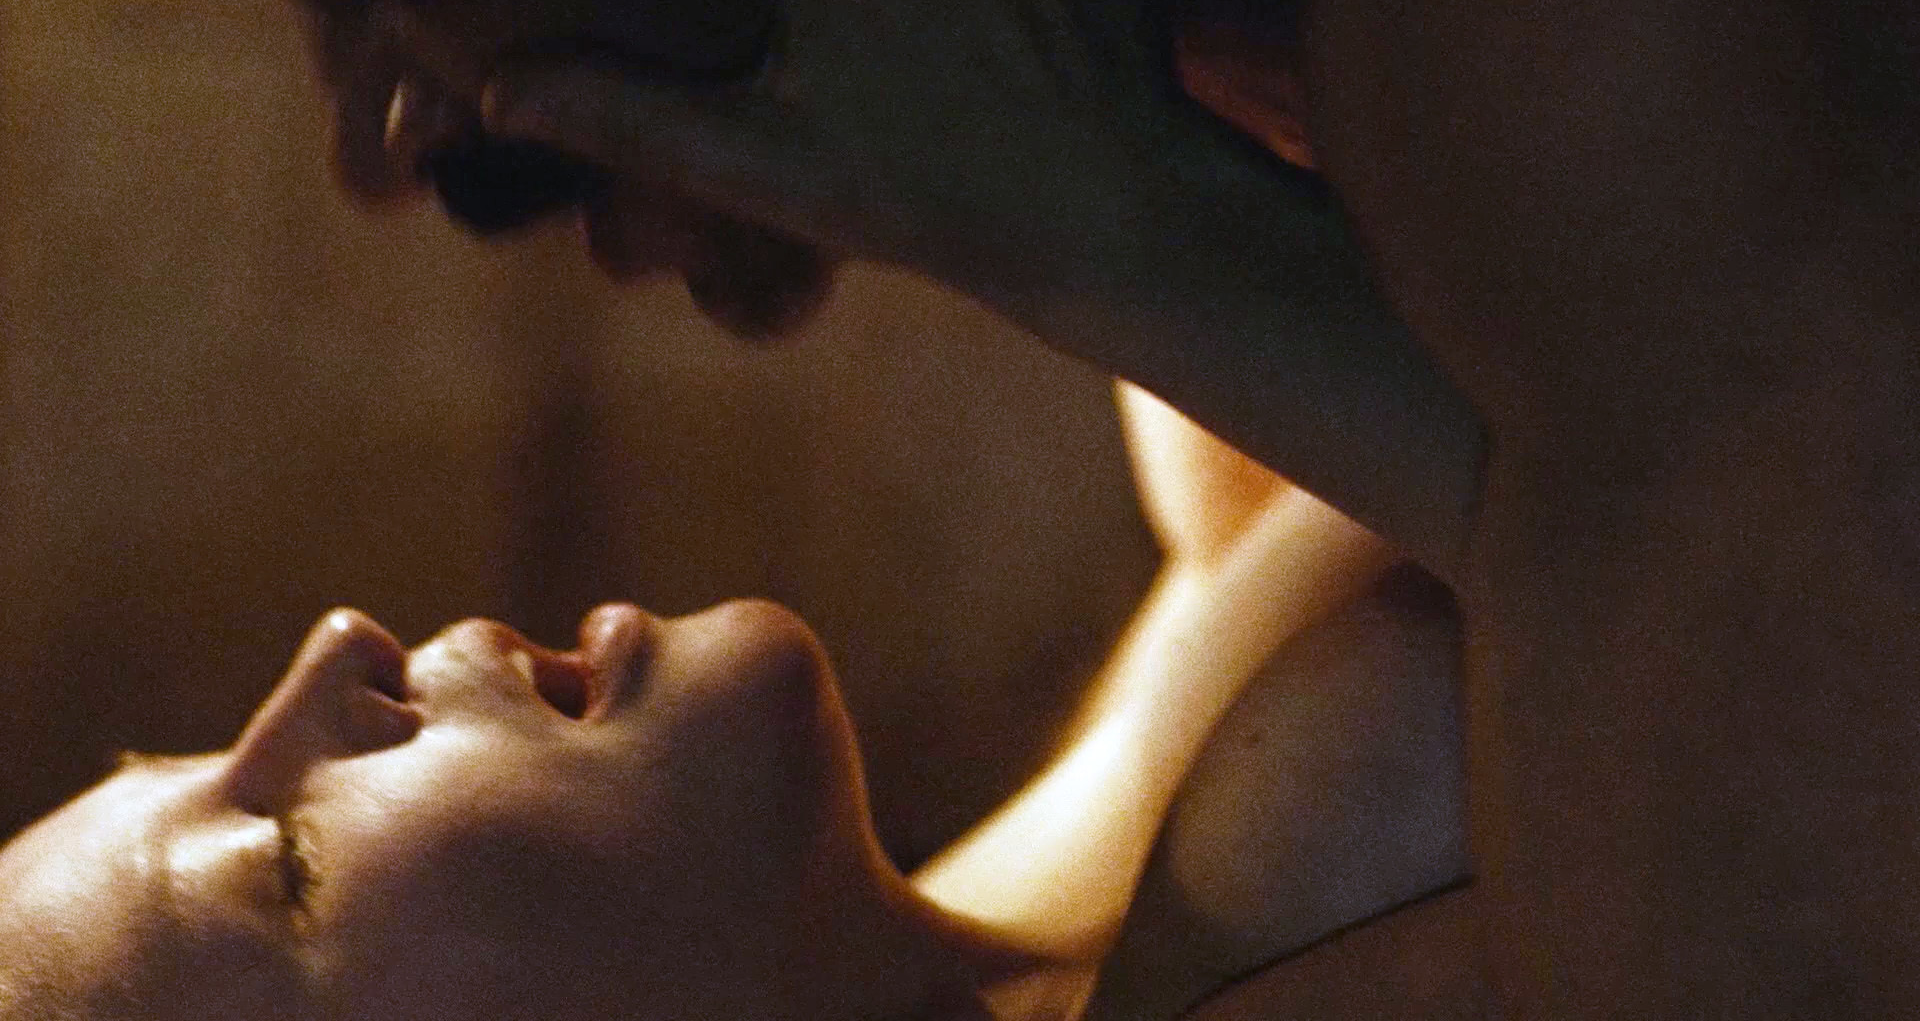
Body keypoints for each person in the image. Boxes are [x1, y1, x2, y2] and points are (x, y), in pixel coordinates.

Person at [190, 0, 1920, 1015]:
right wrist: (1090, 220)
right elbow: (1787, 691)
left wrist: (989, 118)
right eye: (283, 868)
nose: (331, 654)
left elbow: (1289, 506)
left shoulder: (1049, 876)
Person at [0, 381, 1460, 1021]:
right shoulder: (1313, 881)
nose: (337, 648)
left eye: (209, 748)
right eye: (284, 862)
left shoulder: (1011, 921)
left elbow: (1250, 536)